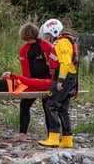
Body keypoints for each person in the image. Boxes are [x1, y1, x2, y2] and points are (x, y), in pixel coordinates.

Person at [2, 23, 52, 142]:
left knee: (48, 107)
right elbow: (25, 73)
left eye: (30, 38)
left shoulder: (46, 46)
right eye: (26, 39)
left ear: (35, 35)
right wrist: (24, 86)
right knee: (24, 104)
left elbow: (53, 66)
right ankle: (22, 134)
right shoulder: (24, 49)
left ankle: (52, 135)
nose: (29, 41)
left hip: (47, 81)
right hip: (32, 82)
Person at [38, 19, 78, 148]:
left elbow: (65, 63)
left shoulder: (62, 42)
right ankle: (67, 140)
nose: (48, 37)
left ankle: (54, 137)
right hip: (68, 77)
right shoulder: (64, 41)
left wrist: (60, 81)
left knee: (51, 105)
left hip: (64, 77)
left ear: (54, 31)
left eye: (49, 34)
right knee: (62, 109)